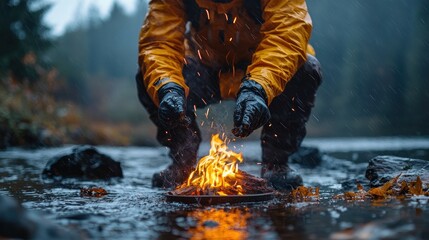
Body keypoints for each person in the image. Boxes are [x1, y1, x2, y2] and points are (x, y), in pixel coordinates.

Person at [135, 0, 322, 191]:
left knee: (306, 69)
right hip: (204, 68)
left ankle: (276, 165)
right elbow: (159, 45)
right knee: (154, 80)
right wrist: (169, 89)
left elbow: (287, 36)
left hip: (262, 71)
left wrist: (257, 88)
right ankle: (182, 163)